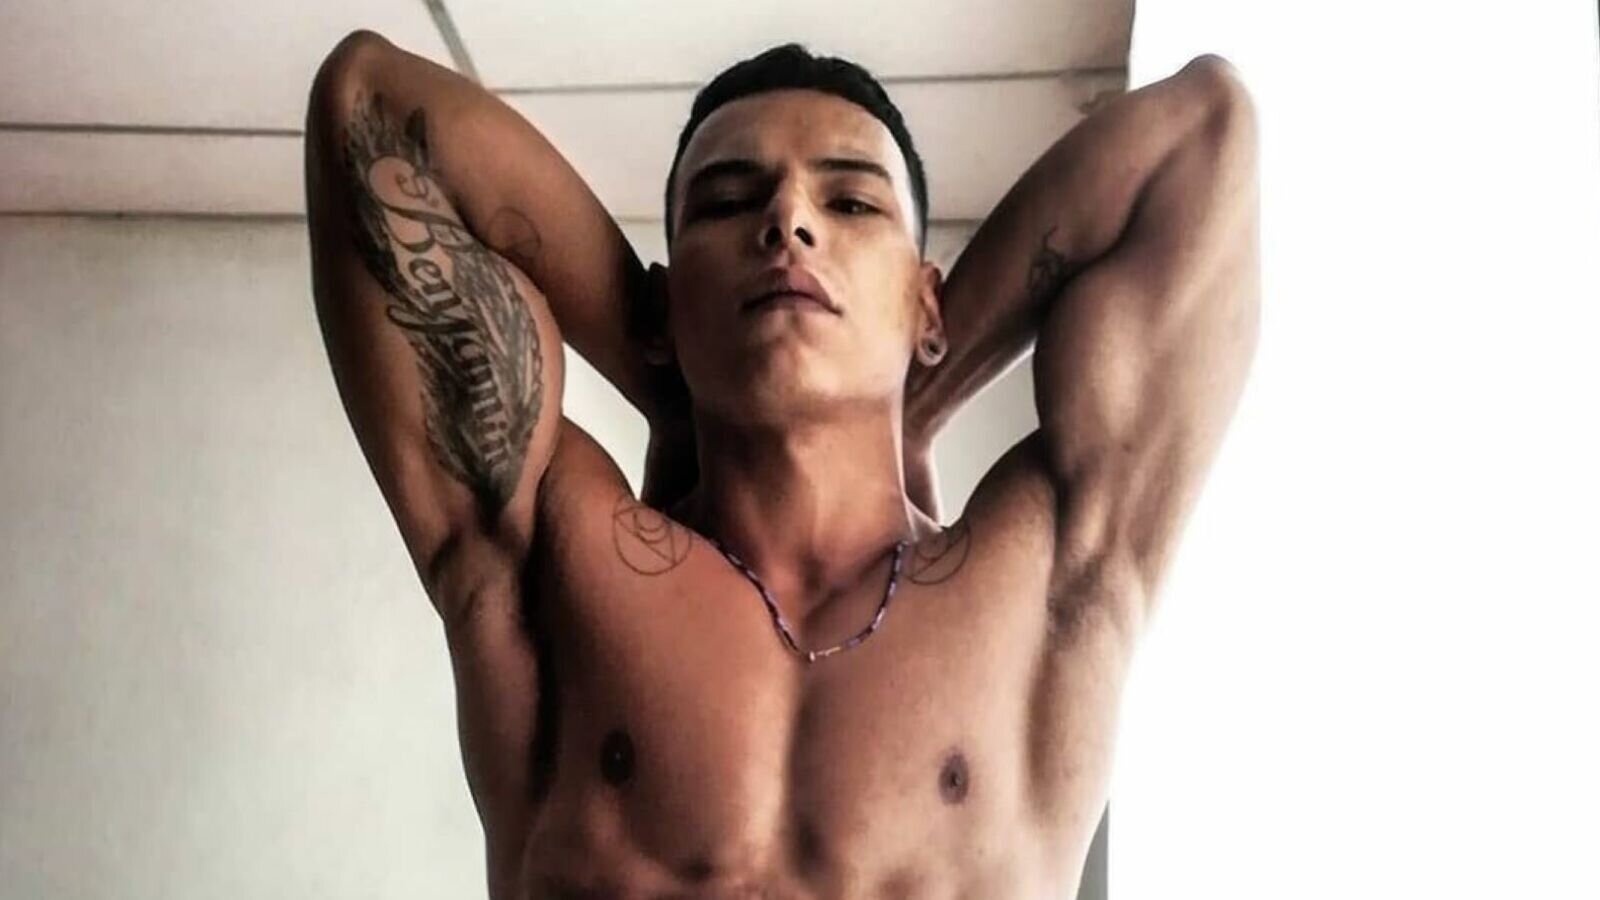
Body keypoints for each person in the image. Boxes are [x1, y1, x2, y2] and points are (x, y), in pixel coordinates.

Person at [304, 28, 1258, 899]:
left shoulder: (1044, 582)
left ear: (928, 303)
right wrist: (664, 367)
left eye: (850, 201)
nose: (789, 220)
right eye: (727, 203)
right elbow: (368, 105)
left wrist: (915, 396)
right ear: (668, 305)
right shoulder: (559, 568)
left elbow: (1202, 134)